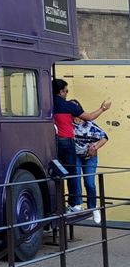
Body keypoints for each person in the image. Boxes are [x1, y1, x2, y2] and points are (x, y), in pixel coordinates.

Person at [52, 78, 111, 215]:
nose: (67, 93)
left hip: (52, 142)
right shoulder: (68, 105)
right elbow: (89, 117)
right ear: (61, 91)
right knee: (73, 173)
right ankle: (75, 204)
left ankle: (57, 204)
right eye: (66, 91)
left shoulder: (46, 104)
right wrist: (103, 108)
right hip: (66, 141)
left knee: (58, 173)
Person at [73, 116, 109, 225]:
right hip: (76, 156)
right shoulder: (68, 124)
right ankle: (77, 204)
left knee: (89, 183)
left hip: (90, 157)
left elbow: (105, 137)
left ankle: (93, 207)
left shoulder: (89, 124)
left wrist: (95, 147)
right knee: (76, 179)